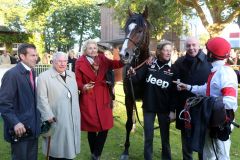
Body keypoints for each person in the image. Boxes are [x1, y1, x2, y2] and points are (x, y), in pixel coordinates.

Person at [174, 37, 238, 160]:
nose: (205, 52)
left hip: (220, 123)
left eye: (207, 50)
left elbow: (230, 101)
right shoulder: (216, 70)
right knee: (209, 156)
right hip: (210, 121)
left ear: (211, 54)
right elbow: (206, 89)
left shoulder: (225, 73)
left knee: (222, 156)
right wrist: (187, 87)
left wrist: (206, 103)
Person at [75, 39, 124, 160]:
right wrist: (83, 87)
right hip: (88, 96)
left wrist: (124, 60)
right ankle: (95, 155)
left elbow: (114, 64)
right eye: (90, 48)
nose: (93, 50)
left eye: (95, 48)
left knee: (105, 126)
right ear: (85, 50)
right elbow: (77, 81)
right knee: (91, 128)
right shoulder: (79, 62)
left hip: (103, 95)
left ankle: (96, 153)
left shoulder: (102, 59)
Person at [128, 40, 175, 160]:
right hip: (148, 107)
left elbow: (174, 93)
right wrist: (131, 73)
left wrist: (172, 110)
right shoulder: (149, 65)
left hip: (164, 109)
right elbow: (136, 79)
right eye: (166, 50)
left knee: (165, 138)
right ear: (159, 51)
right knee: (148, 137)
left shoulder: (173, 69)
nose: (168, 52)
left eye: (170, 50)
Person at [172, 37, 212, 160]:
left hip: (203, 109)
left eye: (194, 45)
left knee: (203, 144)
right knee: (187, 144)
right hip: (185, 109)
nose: (191, 48)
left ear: (199, 45)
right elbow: (173, 83)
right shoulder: (179, 62)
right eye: (188, 46)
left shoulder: (209, 62)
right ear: (185, 47)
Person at [0, 43, 41, 160]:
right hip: (20, 129)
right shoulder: (12, 75)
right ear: (22, 57)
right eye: (32, 55)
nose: (36, 58)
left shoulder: (32, 72)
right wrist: (15, 122)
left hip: (32, 128)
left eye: (36, 55)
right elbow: (4, 103)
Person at [37, 52, 81, 160]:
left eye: (65, 61)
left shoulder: (72, 75)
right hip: (56, 118)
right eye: (59, 61)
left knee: (70, 147)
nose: (62, 64)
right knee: (55, 149)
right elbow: (41, 99)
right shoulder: (44, 77)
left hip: (72, 117)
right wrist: (48, 116)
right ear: (53, 62)